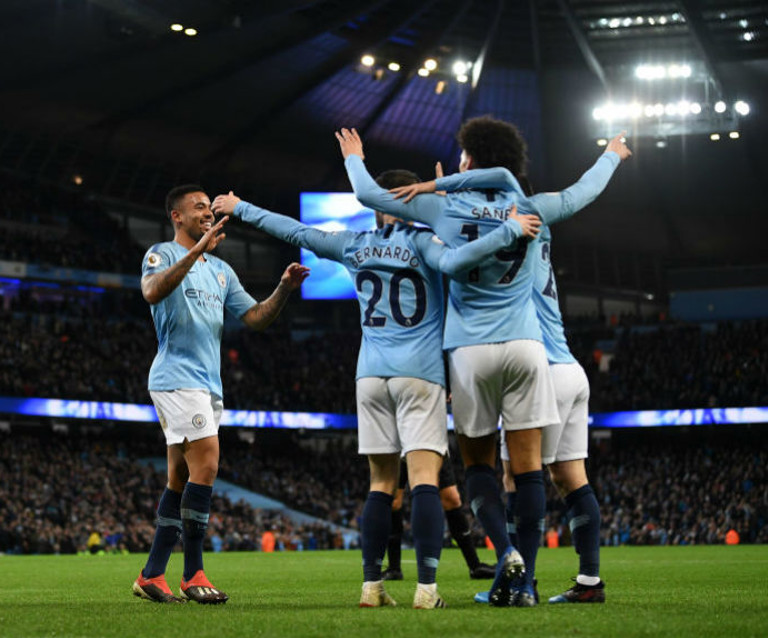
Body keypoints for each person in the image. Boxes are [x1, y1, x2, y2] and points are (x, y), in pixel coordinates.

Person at [212, 176, 538, 609]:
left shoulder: (354, 244)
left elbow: (293, 229)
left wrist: (241, 206)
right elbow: (461, 260)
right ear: (409, 201)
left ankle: (372, 587)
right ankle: (426, 590)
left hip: (370, 376)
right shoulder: (425, 244)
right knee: (423, 479)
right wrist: (511, 229)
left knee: (380, 482)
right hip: (419, 373)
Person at [338, 119, 626, 606]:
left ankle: (506, 549)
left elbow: (369, 195)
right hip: (529, 347)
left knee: (479, 467)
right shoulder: (534, 208)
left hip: (469, 350)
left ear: (469, 161)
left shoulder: (441, 206)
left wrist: (354, 157)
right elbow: (584, 191)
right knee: (530, 469)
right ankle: (527, 584)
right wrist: (612, 156)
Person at [412, 139, 632, 606]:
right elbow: (583, 189)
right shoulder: (540, 228)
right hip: (570, 368)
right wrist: (613, 153)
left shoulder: (502, 242)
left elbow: (469, 243)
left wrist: (448, 203)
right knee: (572, 477)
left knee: (514, 478)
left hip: (536, 367)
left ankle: (519, 583)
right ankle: (589, 581)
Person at [131, 185, 309, 605]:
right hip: (176, 378)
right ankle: (193, 573)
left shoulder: (222, 271)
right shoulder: (161, 253)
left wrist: (283, 288)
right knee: (207, 463)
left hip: (209, 384)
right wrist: (197, 252)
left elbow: (255, 318)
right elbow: (152, 292)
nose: (207, 213)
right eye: (197, 208)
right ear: (176, 216)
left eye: (208, 207)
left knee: (179, 477)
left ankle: (152, 574)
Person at [384, 454, 495, 581]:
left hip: (432, 443)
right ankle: (394, 568)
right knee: (394, 501)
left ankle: (475, 566)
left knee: (452, 499)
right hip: (399, 447)